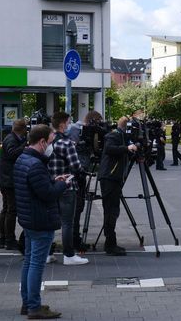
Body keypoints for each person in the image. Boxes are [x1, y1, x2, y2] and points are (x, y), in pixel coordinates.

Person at [15, 124, 70, 319]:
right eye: (51, 141)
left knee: (29, 262)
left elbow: (36, 187)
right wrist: (63, 184)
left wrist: (54, 179)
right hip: (40, 219)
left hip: (29, 219)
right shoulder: (36, 164)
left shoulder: (23, 159)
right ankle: (34, 307)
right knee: (36, 264)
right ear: (42, 142)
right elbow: (47, 194)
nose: (52, 146)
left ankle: (27, 303)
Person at [48, 112, 89, 265]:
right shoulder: (66, 143)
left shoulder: (48, 141)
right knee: (67, 222)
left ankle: (48, 253)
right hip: (67, 186)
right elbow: (76, 166)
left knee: (51, 221)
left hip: (50, 186)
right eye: (68, 122)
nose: (69, 125)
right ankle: (69, 255)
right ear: (63, 124)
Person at [98, 117, 138, 256]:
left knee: (113, 210)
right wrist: (126, 148)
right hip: (110, 177)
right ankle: (110, 244)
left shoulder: (121, 136)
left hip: (113, 177)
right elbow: (109, 149)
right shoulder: (113, 135)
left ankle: (111, 243)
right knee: (110, 210)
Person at [67, 110, 103, 252]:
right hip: (76, 172)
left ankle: (75, 238)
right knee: (75, 207)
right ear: (92, 121)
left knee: (78, 207)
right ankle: (73, 240)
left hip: (81, 170)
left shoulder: (79, 129)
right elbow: (71, 148)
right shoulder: (75, 130)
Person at [0, 119, 27, 251]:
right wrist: (25, 145)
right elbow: (12, 154)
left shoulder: (10, 137)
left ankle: (3, 238)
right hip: (9, 180)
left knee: (6, 209)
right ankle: (9, 239)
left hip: (5, 179)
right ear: (22, 129)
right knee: (11, 210)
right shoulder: (11, 139)